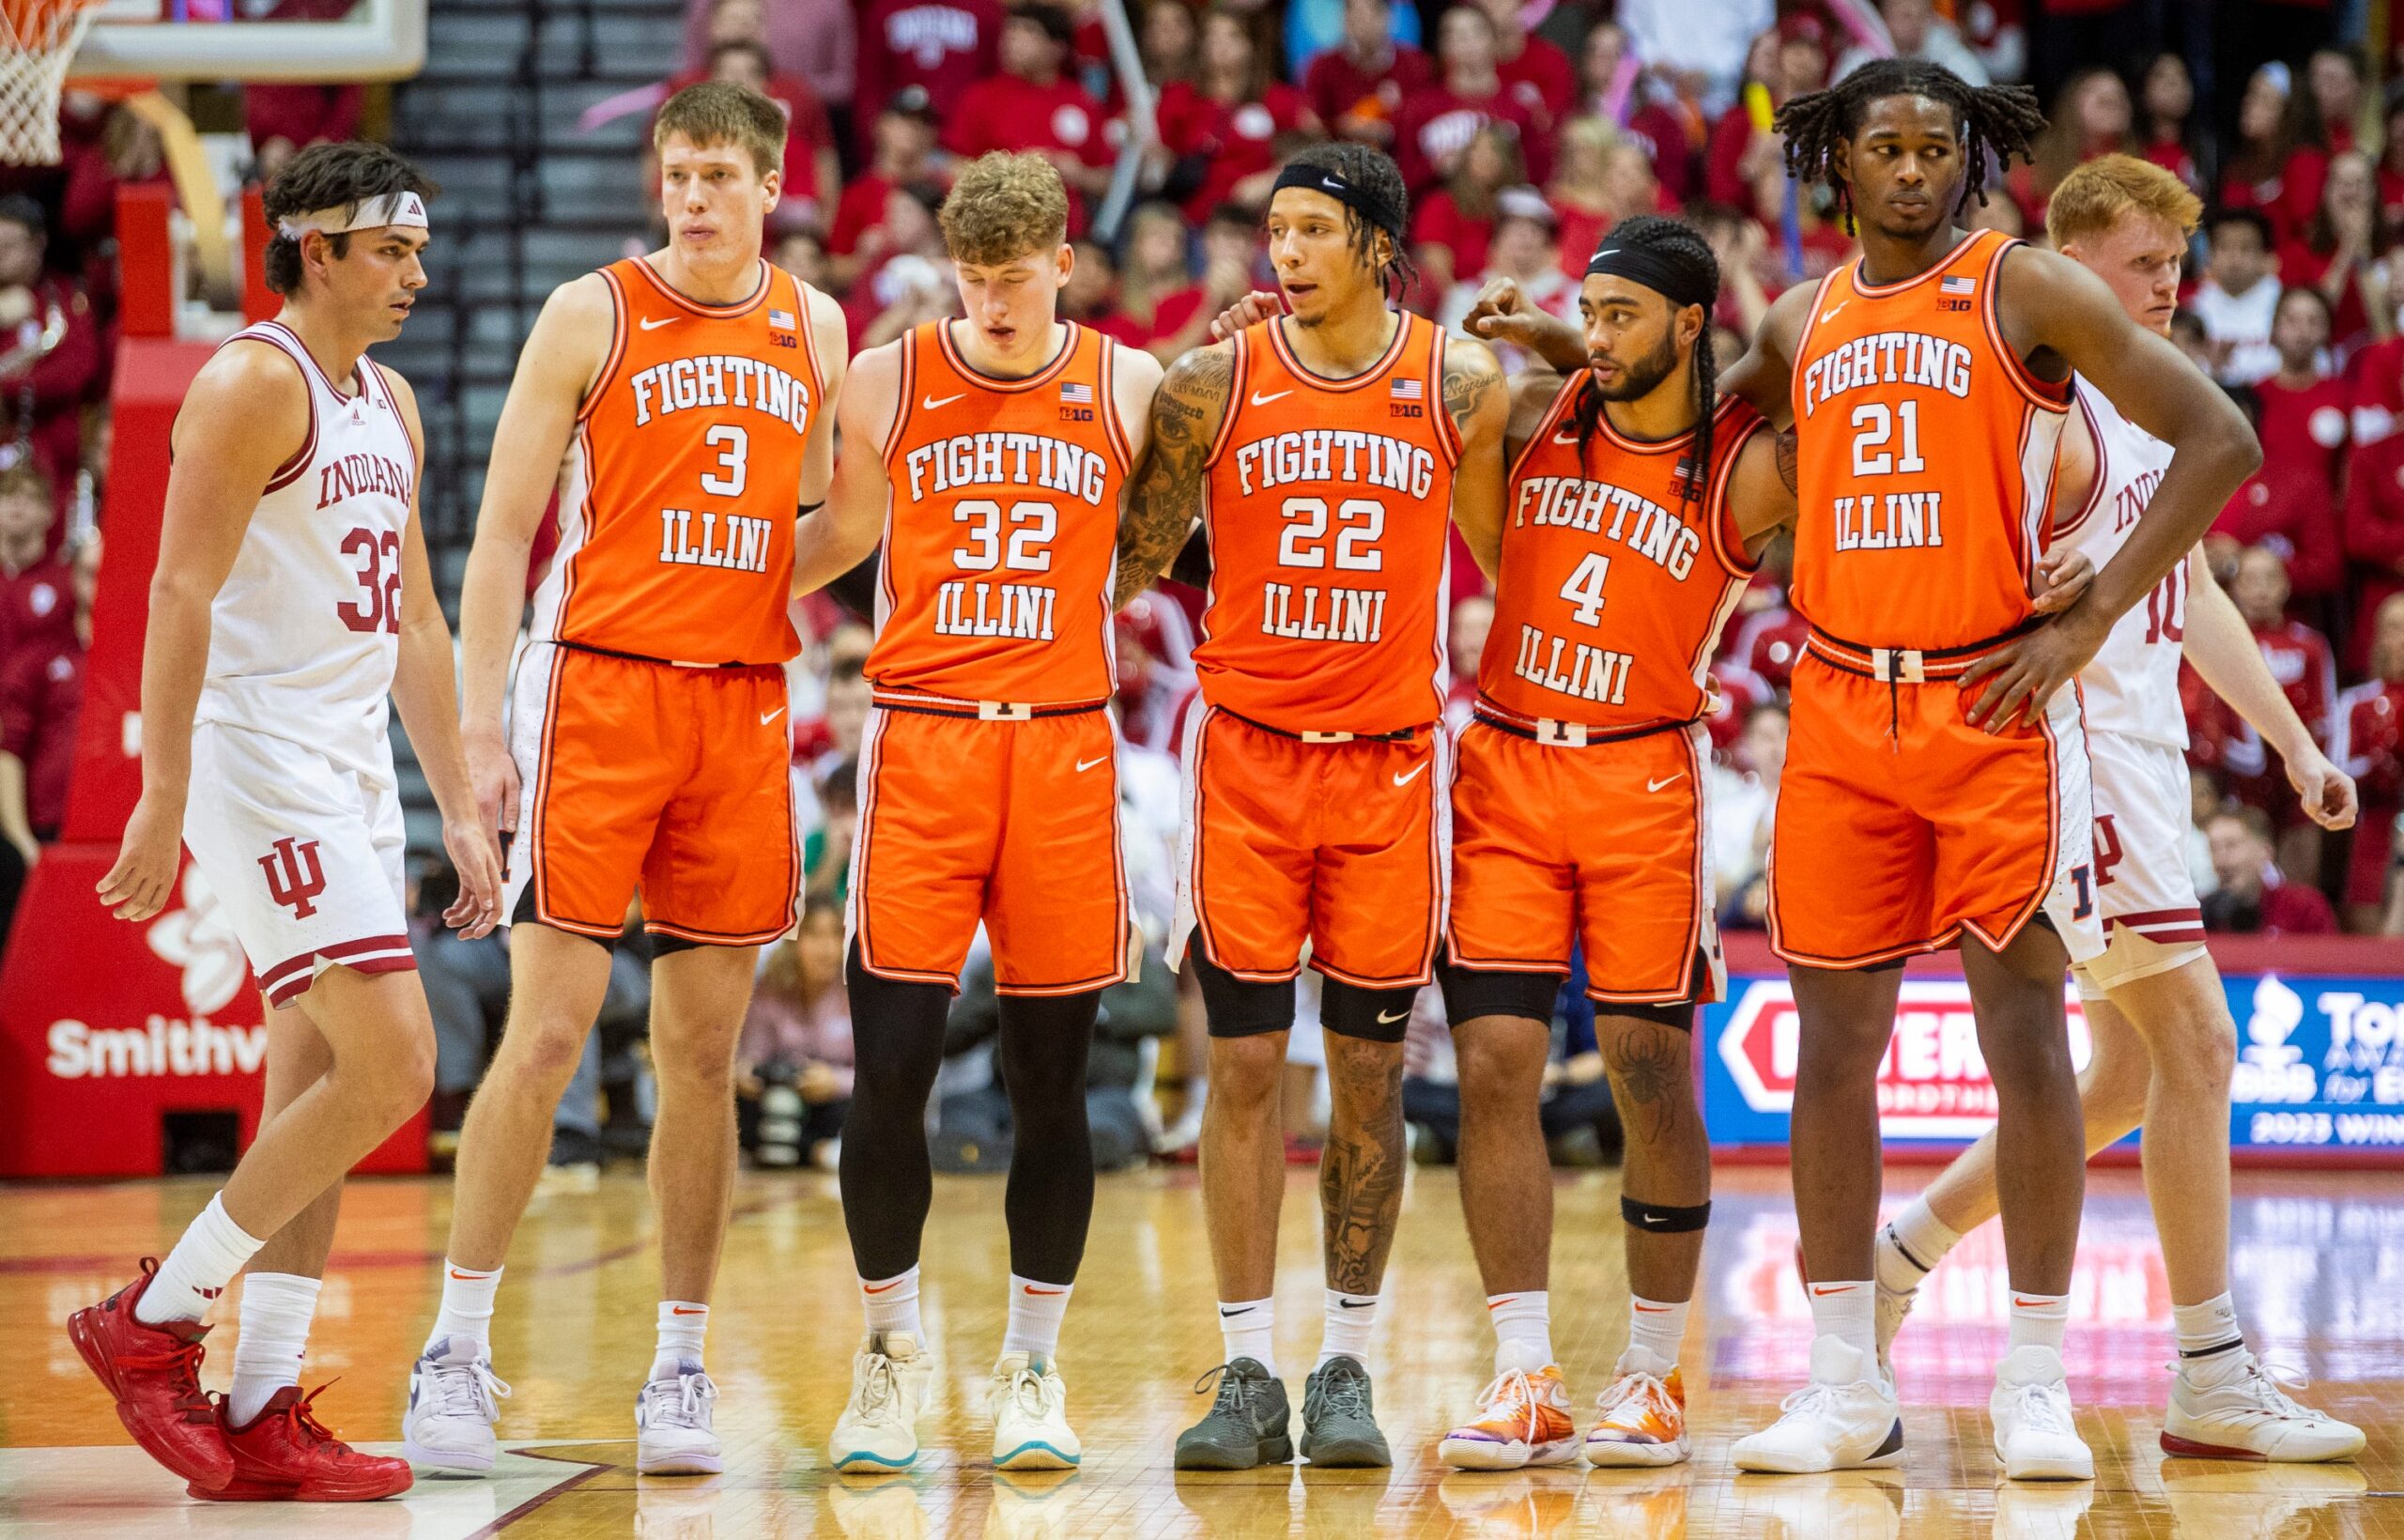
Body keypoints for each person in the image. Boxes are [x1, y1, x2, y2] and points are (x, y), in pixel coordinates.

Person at [1718, 59, 2257, 1480]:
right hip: (1837, 710)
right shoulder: (1796, 319)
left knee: (2029, 1045)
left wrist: (2085, 617)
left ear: (1970, 161)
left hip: (1983, 704)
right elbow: (1688, 430)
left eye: (1933, 149)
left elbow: (2220, 437)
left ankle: (2033, 1376)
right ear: (1835, 163)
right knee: (1832, 1052)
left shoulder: (2026, 289)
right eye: (1881, 148)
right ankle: (1843, 1380)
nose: (1908, 171)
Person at [1869, 154, 2366, 1464]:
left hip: (2147, 755)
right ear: (2072, 260)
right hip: (2073, 756)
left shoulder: (2148, 404)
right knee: (2194, 1044)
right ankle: (2208, 1368)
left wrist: (2297, 741)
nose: (2171, 283)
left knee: (2133, 1074)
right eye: (2146, 262)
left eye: (2176, 263)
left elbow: (2191, 596)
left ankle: (1895, 1263)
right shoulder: (2035, 398)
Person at [403, 82, 847, 1478]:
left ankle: (681, 1368)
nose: (695, 198)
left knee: (703, 1060)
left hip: (739, 707)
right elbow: (497, 540)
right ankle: (457, 1350)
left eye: (720, 174)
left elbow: (821, 526)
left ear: (772, 182)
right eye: (678, 173)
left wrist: (745, 586)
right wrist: (482, 733)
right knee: (546, 1037)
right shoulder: (589, 311)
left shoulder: (817, 325)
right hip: (593, 685)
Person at [69, 142, 502, 1503]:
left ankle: (261, 1407)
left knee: (319, 1083)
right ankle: (151, 1323)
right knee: (397, 1069)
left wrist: (460, 806)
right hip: (263, 763)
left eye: (421, 253)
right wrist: (163, 792)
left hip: (355, 763)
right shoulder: (254, 382)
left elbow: (421, 622)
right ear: (315, 248)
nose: (417, 277)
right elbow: (176, 596)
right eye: (393, 252)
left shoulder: (392, 402)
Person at [1114, 141, 1507, 1471]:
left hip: (1393, 768)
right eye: (1273, 231)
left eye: (1309, 232)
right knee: (1236, 1068)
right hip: (1249, 761)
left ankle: (1345, 1361)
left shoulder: (1457, 380)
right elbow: (1132, 556)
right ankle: (1243, 1370)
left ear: (1375, 245)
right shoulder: (1213, 381)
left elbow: (1510, 550)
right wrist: (1155, 374)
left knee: (1371, 1075)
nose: (1282, 254)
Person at [786, 149, 1162, 1473]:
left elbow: (1167, 538)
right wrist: (718, 565)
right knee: (887, 1072)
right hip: (923, 747)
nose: (995, 304)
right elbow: (836, 542)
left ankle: (1034, 1367)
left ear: (1067, 262)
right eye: (976, 280)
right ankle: (888, 1356)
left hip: (1062, 754)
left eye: (1018, 279)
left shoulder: (1127, 383)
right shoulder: (888, 378)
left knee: (1047, 1083)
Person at [1430, 215, 1792, 1472]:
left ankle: (1651, 1372)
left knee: (1645, 1066)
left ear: (1693, 326)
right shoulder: (1531, 415)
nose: (1596, 335)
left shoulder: (1751, 463)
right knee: (1492, 1065)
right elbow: (1471, 506)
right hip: (1509, 762)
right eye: (1588, 312)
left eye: (1623, 315)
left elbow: (1816, 370)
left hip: (1646, 773)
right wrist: (1534, 339)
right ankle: (1523, 1372)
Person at [2202, 807, 2338, 933]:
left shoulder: (2304, 907)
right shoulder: (2202, 917)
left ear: (2265, 852)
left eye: (2231, 845)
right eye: (2213, 848)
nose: (2220, 860)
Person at [2189, 208, 2282, 386]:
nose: (2234, 258)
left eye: (2245, 248)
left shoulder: (2286, 304)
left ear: (2266, 257)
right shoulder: (2194, 308)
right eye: (2224, 248)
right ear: (2209, 256)